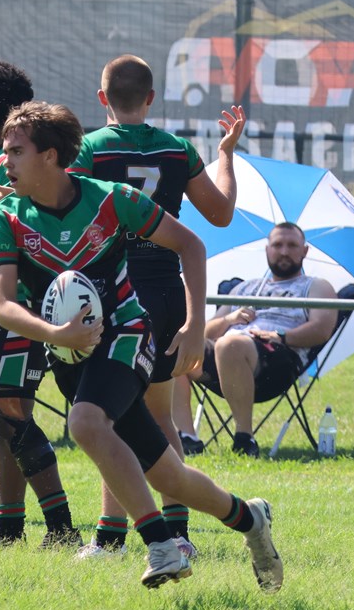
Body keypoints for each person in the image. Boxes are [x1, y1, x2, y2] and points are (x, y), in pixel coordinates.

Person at [0, 102, 283, 591]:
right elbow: (2, 306)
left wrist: (193, 325)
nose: (5, 161)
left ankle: (161, 545)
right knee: (169, 476)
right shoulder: (7, 216)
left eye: (16, 151)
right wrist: (56, 335)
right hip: (66, 351)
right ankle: (250, 520)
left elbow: (191, 245)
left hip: (127, 334)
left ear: (51, 156)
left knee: (85, 422)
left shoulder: (113, 199)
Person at [69, 54, 244, 558]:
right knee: (158, 416)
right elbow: (221, 213)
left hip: (122, 297)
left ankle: (110, 535)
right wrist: (226, 155)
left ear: (102, 99)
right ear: (151, 98)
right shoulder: (178, 149)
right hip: (169, 293)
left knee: (110, 416)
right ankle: (178, 530)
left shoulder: (89, 149)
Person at [0, 61, 80, 549]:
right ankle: (10, 525)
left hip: (12, 304)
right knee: (3, 414)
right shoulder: (6, 162)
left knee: (8, 414)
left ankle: (60, 527)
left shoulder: (3, 168)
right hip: (13, 303)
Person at [173, 222, 337, 457]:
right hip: (225, 356)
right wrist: (229, 319)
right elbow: (207, 334)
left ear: (305, 251)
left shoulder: (317, 286)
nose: (283, 251)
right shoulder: (244, 288)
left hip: (278, 360)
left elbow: (321, 329)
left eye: (292, 245)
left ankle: (244, 439)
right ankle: (187, 437)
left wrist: (280, 336)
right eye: (277, 245)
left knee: (231, 344)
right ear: (267, 249)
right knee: (175, 344)